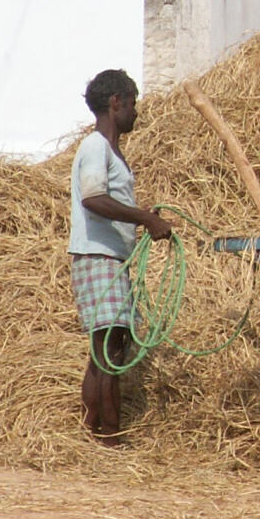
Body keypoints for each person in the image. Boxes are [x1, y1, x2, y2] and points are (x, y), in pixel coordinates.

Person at [68, 69, 172, 444]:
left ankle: (94, 432)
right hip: (99, 258)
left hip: (108, 257)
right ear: (116, 103)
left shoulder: (107, 150)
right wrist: (145, 219)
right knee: (108, 351)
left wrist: (142, 219)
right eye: (132, 105)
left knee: (106, 350)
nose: (136, 113)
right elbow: (93, 199)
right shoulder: (96, 147)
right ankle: (110, 437)